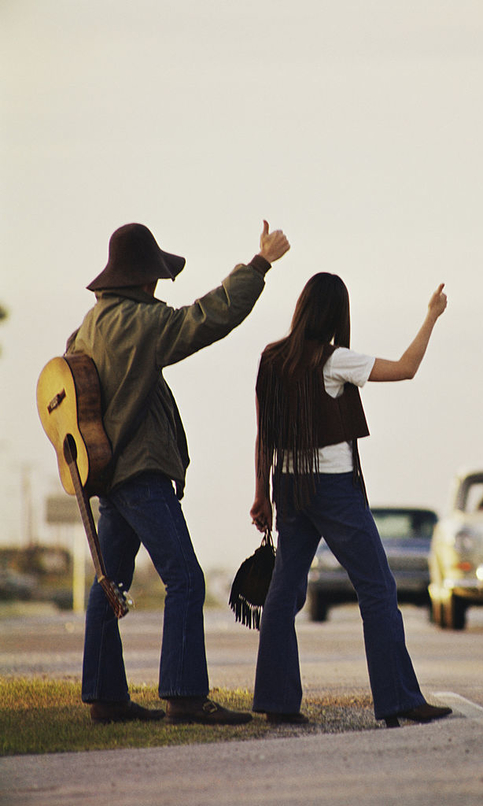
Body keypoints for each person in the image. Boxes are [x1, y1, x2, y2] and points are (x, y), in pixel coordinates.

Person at [67, 220, 290, 725]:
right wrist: (258, 265)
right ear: (144, 279)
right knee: (186, 578)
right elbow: (209, 317)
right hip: (139, 474)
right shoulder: (142, 324)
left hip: (106, 474)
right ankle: (186, 697)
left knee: (111, 582)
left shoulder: (88, 325)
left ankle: (104, 697)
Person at [250, 272, 452, 728]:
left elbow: (265, 434)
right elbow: (406, 368)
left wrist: (262, 493)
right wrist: (431, 317)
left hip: (288, 486)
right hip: (333, 489)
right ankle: (398, 698)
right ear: (335, 314)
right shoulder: (334, 359)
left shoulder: (272, 359)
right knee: (377, 588)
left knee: (283, 594)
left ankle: (277, 701)